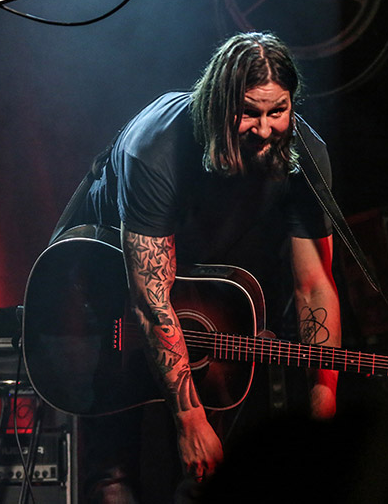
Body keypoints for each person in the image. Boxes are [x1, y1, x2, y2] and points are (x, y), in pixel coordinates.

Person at [55, 31, 341, 502]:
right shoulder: (157, 147)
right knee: (114, 475)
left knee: (208, 475)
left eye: (278, 111)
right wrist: (189, 419)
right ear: (219, 102)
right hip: (100, 297)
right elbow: (150, 302)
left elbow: (314, 287)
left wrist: (323, 401)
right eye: (249, 112)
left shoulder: (305, 157)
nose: (266, 129)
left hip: (195, 297)